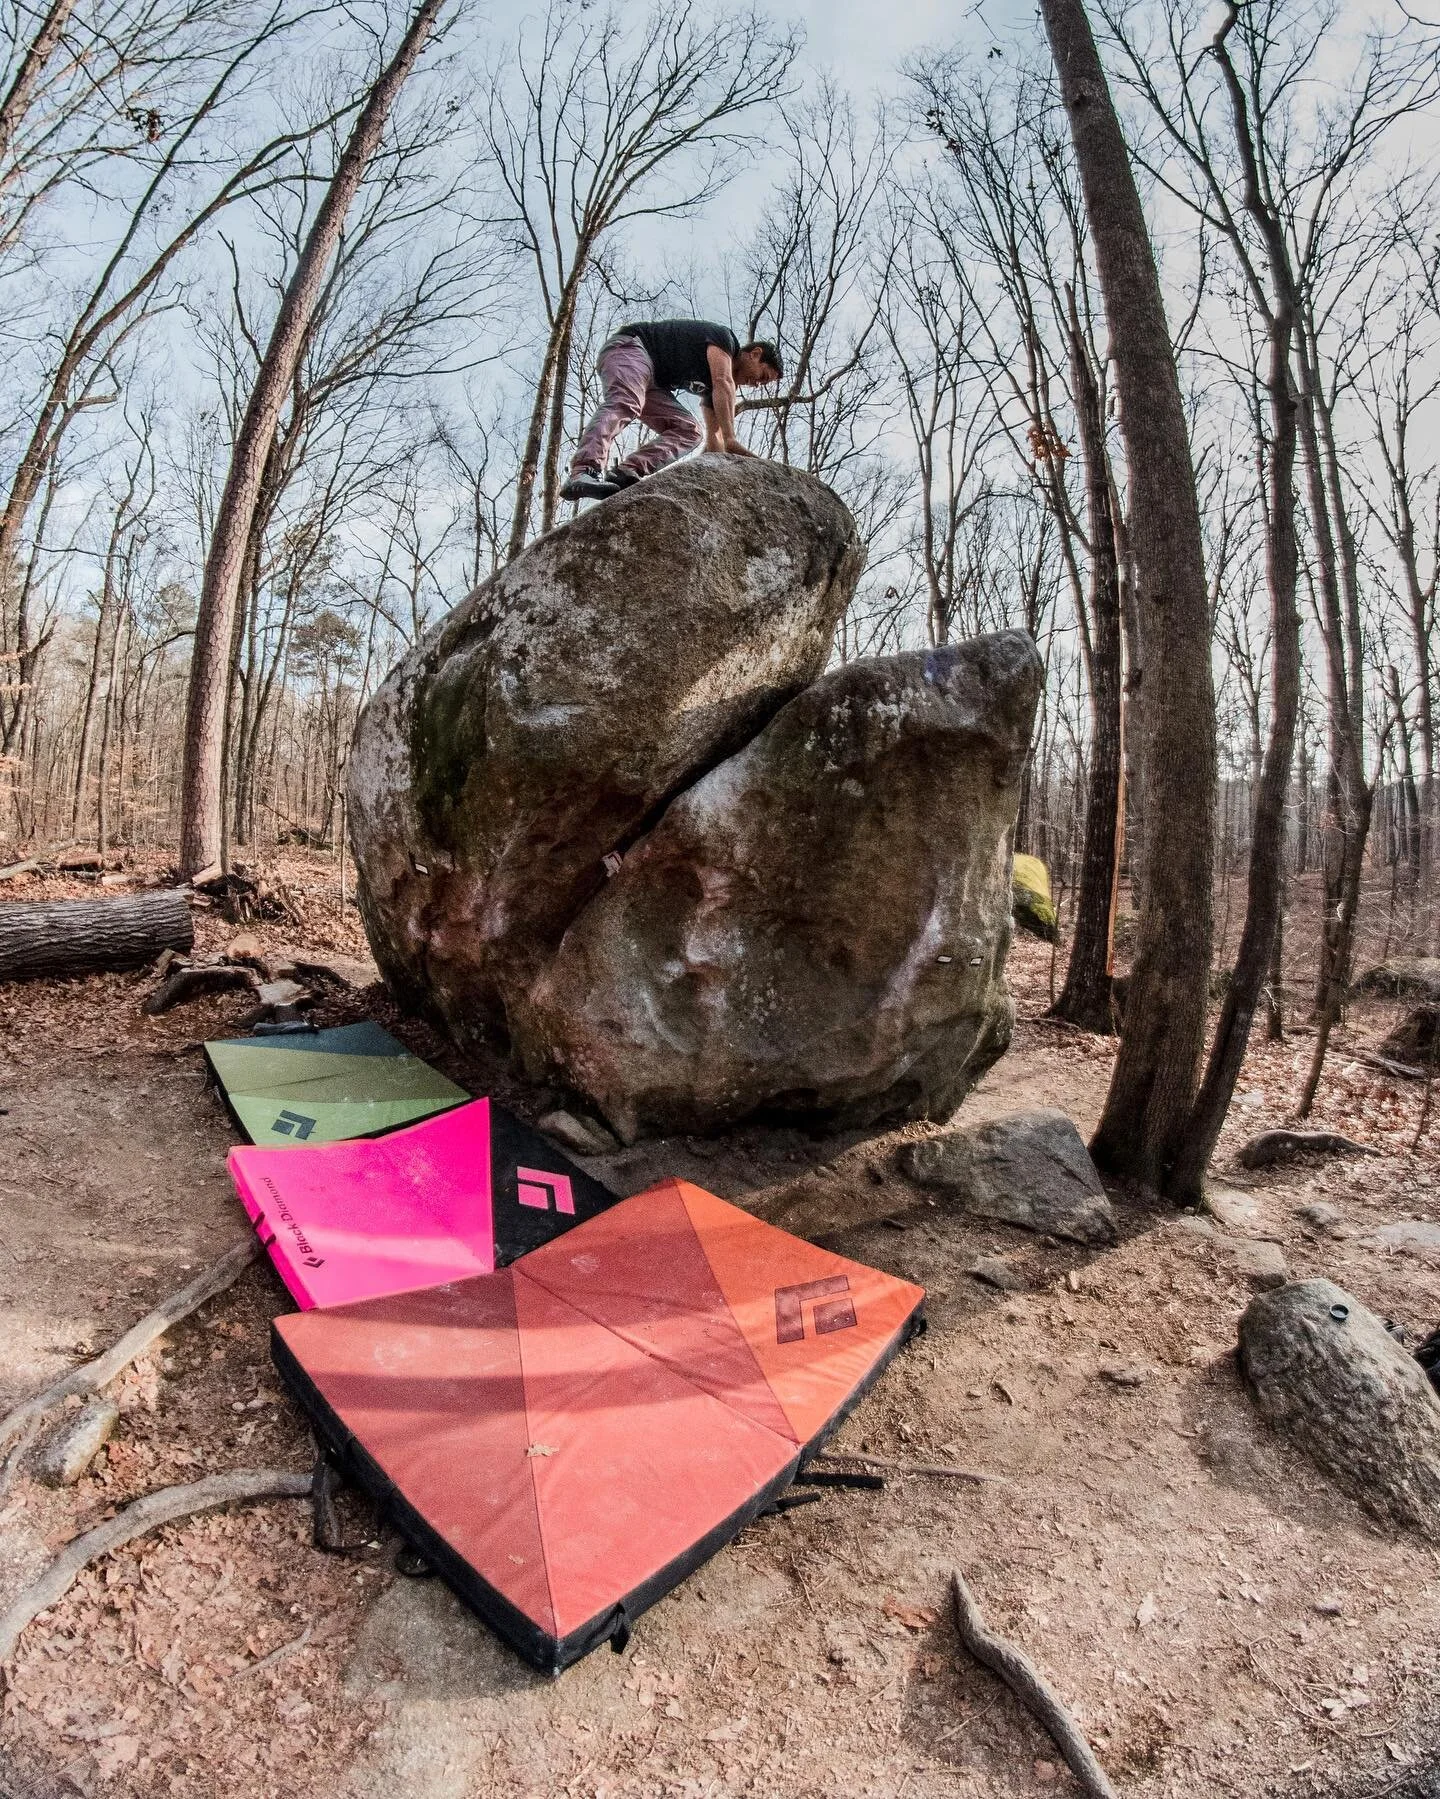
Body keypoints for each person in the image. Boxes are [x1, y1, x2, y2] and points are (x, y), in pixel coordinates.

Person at [560, 319, 783, 502]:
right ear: (755, 353)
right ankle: (584, 471)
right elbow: (724, 380)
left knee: (690, 431)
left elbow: (714, 447)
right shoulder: (725, 340)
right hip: (632, 349)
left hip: (653, 383)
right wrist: (731, 438)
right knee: (627, 400)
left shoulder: (712, 389)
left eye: (762, 385)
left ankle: (626, 473)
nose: (756, 385)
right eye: (762, 377)